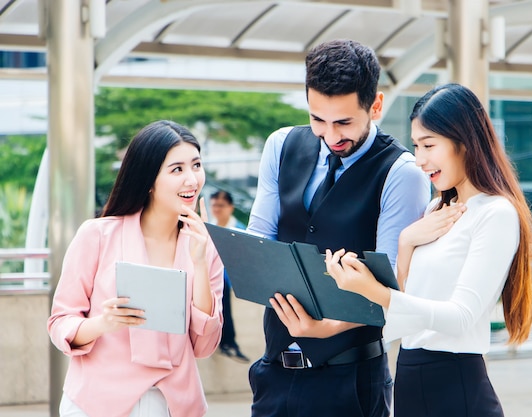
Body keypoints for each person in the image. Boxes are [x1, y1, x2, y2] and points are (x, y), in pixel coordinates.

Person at [326, 83, 532, 417]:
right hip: (410, 377)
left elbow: (460, 317)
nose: (420, 159)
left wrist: (376, 292)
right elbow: (401, 313)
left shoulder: (496, 214)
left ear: (465, 143)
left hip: (457, 385)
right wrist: (405, 242)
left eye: (429, 144)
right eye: (415, 145)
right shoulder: (434, 212)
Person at [246, 39, 430, 417]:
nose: (330, 136)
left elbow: (393, 286)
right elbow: (258, 243)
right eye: (318, 119)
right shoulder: (280, 145)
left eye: (344, 122)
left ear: (375, 105)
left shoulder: (402, 173)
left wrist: (327, 327)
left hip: (351, 380)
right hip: (274, 372)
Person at [47, 120, 224, 417]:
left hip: (173, 404)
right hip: (97, 402)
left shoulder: (205, 246)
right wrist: (104, 322)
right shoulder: (97, 235)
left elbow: (204, 345)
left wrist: (200, 262)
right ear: (149, 179)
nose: (192, 180)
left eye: (196, 165)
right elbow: (60, 322)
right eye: (177, 169)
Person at [209, 189, 250, 363]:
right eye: (214, 205)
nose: (217, 209)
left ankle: (228, 342)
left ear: (230, 207)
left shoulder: (239, 230)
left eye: (221, 205)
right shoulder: (207, 227)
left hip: (228, 280)